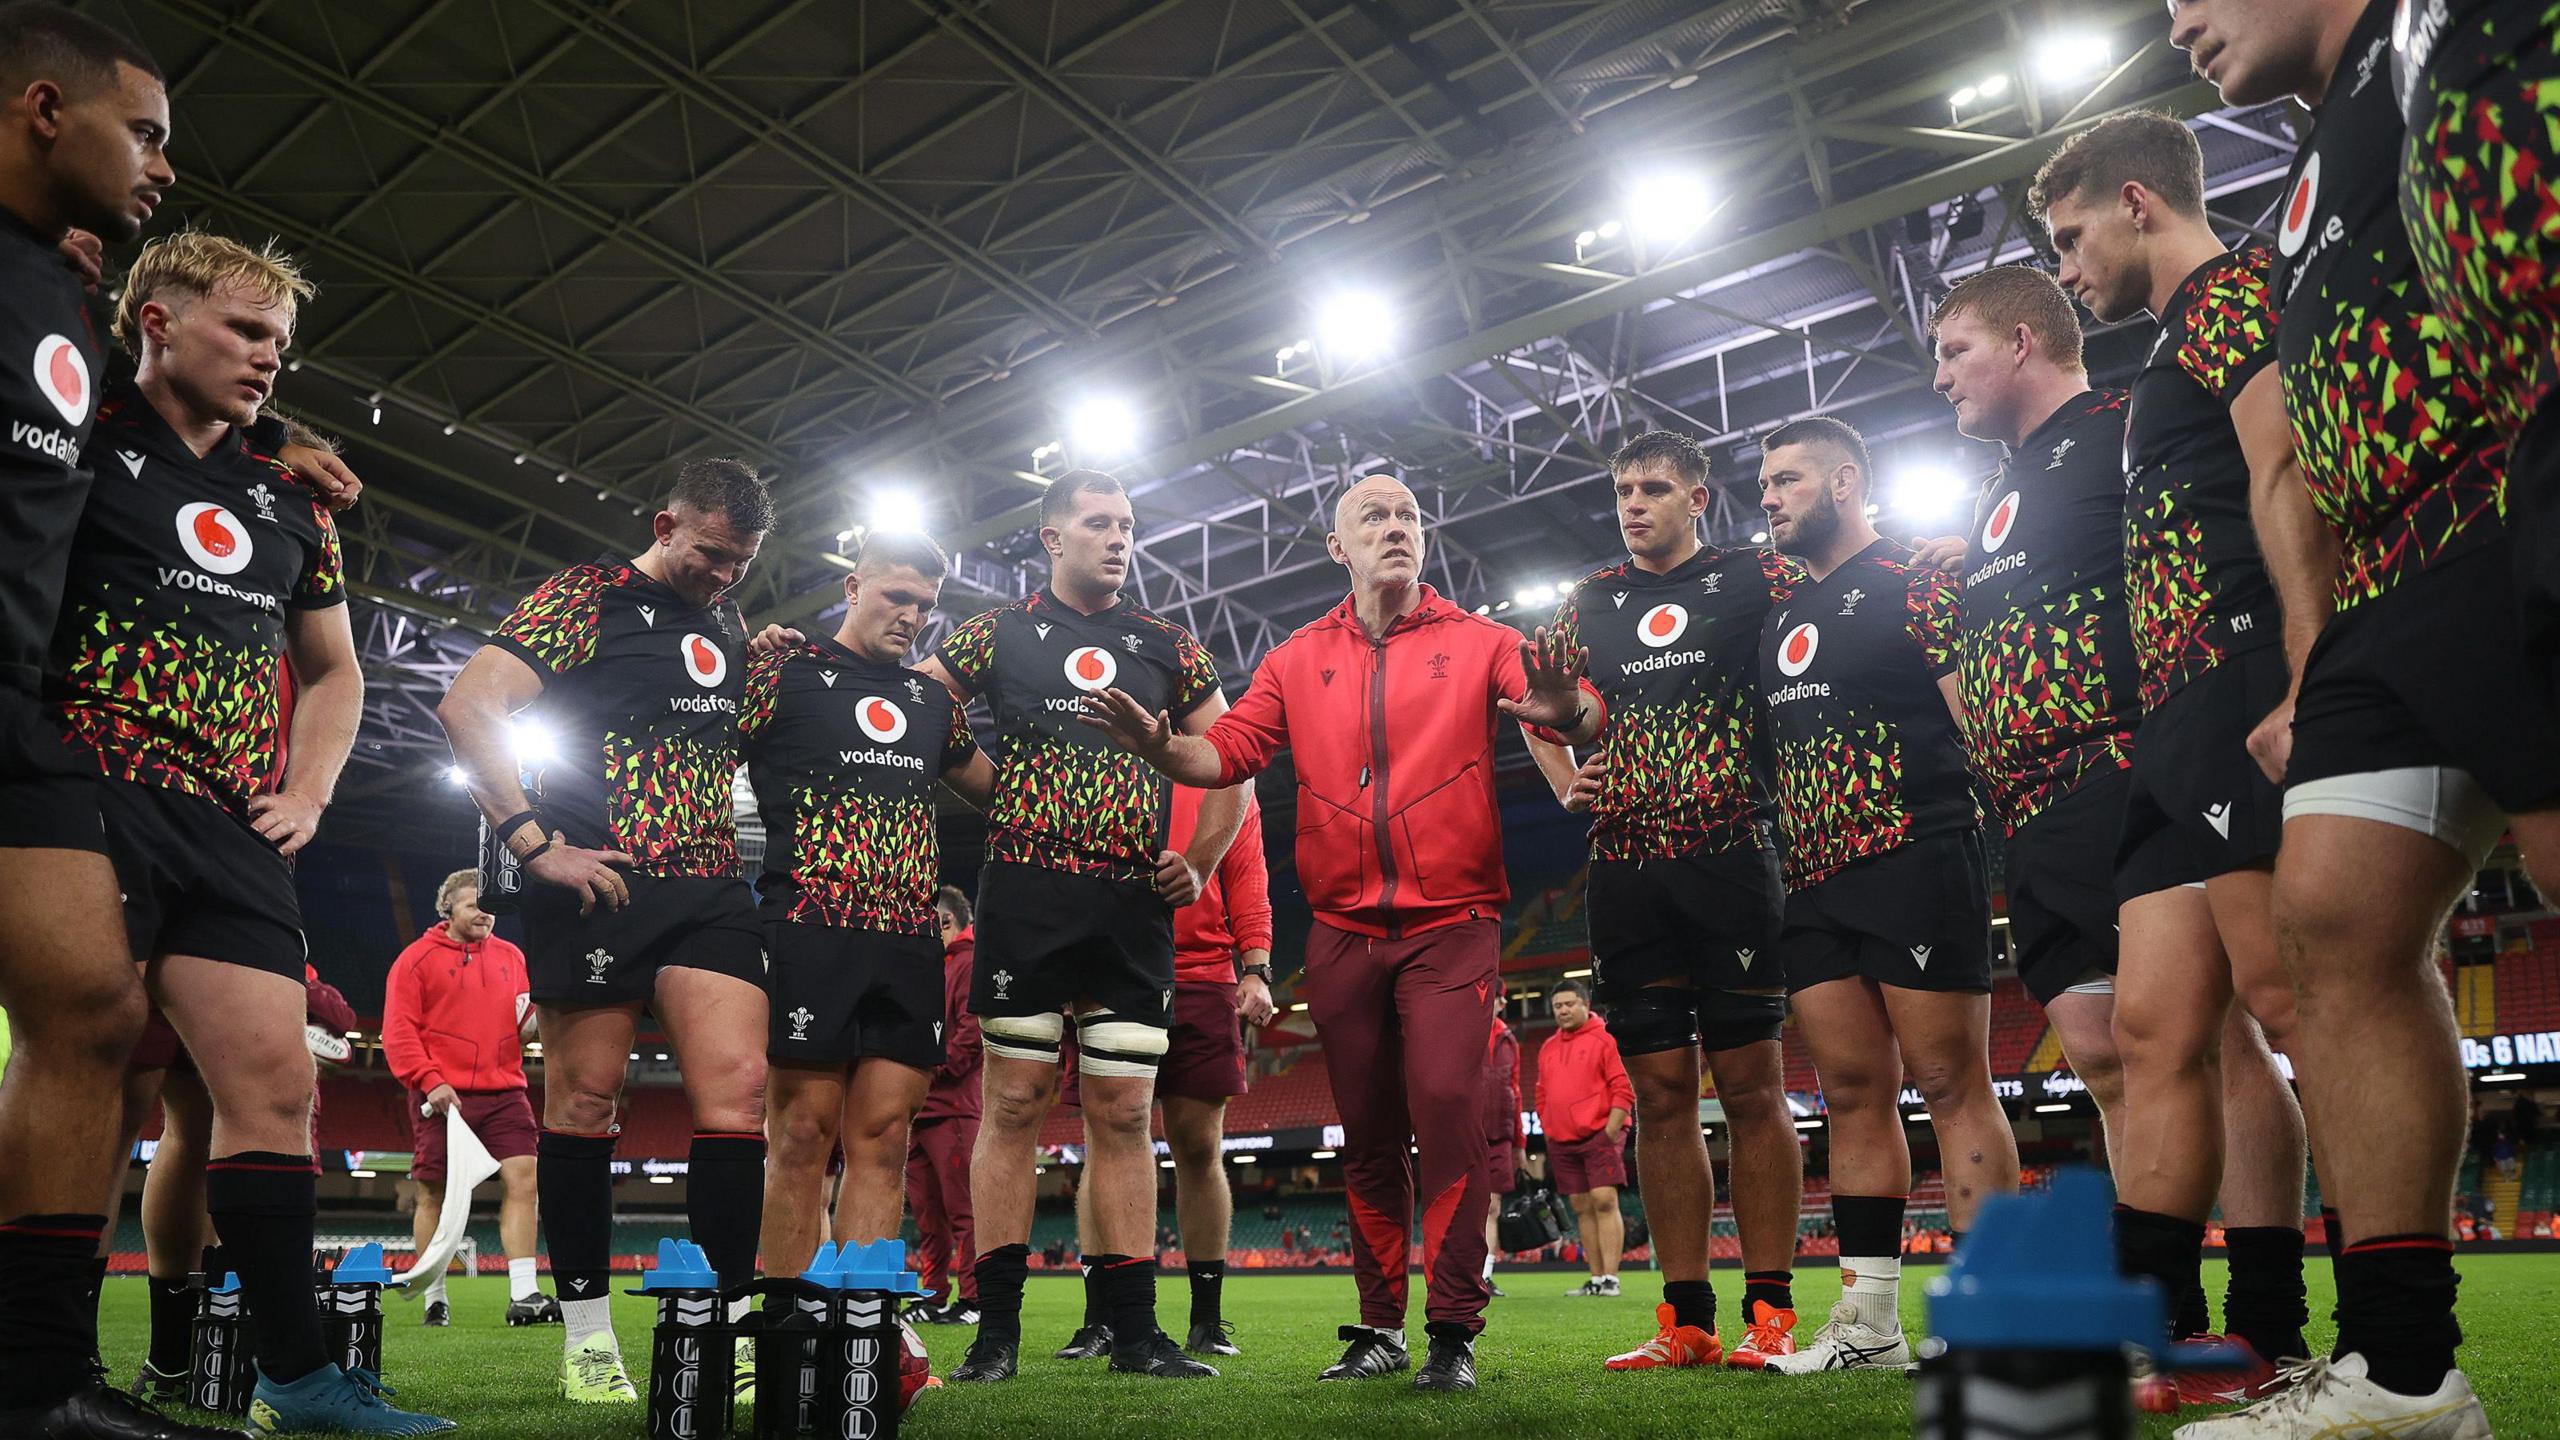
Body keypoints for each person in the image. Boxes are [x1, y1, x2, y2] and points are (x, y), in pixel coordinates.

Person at [2165, 2, 2560, 1431]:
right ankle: (2406, 1375)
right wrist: (2309, 648)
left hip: (2505, 509)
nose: (2178, 21)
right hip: (2379, 587)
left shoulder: (2438, 30)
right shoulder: (2304, 173)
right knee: (2329, 927)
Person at [1080, 467, 1603, 1392]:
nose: (1398, 526)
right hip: (1341, 934)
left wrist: (1566, 705)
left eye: (1409, 513)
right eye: (1375, 515)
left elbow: (1570, 709)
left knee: (1444, 1107)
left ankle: (1450, 1334)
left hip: (1455, 922)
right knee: (1365, 1130)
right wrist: (1160, 747)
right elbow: (1227, 755)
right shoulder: (1293, 658)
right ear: (1339, 547)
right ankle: (1376, 1328)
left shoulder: (1484, 642)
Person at [54, 229, 447, 1436]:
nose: (270, 357)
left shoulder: (289, 499)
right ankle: (52, 1371)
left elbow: (333, 672)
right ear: (157, 321)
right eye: (244, 328)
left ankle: (297, 1379)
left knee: (274, 1085)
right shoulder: (70, 441)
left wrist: (311, 792)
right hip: (84, 790)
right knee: (92, 1086)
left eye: (281, 339)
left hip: (232, 822)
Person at [2033, 111, 2319, 1398]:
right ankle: (2155, 1329)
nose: (2067, 264)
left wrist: (2306, 671)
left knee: (2283, 999)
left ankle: (2288, 1325)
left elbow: (2286, 464)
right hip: (2172, 716)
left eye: (2070, 234)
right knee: (2154, 1031)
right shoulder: (2159, 356)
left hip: (2245, 673)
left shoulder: (2230, 293)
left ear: (2136, 203)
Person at [437, 458, 776, 1405]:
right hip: (599, 885)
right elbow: (469, 705)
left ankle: (727, 1324)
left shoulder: (727, 619)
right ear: (663, 524)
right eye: (710, 554)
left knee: (740, 1091)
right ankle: (587, 1335)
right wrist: (534, 844)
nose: (722, 576)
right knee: (585, 1106)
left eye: (740, 564)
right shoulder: (586, 594)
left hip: (709, 887)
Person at [915, 469, 1244, 1384]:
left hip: (1129, 907)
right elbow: (921, 713)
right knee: (1013, 1107)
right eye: (1097, 524)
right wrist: (997, 791)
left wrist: (1206, 861)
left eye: (1127, 525)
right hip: (1023, 897)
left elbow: (1232, 763)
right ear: (1052, 537)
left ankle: (1135, 1338)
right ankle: (996, 1335)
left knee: (1126, 1112)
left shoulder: (1169, 644)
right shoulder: (996, 631)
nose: (1118, 539)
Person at [1521, 427, 1806, 1370]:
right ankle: (1684, 1320)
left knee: (1754, 1089)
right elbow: (1542, 701)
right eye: (1622, 493)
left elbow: (1845, 601)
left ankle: (1770, 1319)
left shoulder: (1759, 577)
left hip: (1735, 855)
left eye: (1652, 489)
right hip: (1627, 869)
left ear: (1698, 499)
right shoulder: (1587, 604)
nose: (1633, 505)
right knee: (1660, 1091)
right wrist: (1564, 777)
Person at [1751, 416, 2017, 1375]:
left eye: (1786, 481)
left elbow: (1973, 715)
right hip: (1812, 877)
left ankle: (1988, 1321)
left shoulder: (1921, 578)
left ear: (1847, 482)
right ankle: (1868, 1324)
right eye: (1765, 485)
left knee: (1952, 1083)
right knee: (1853, 1093)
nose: (1770, 499)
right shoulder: (1779, 609)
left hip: (1917, 853)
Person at [743, 530, 994, 1304]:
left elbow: (1004, 794)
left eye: (926, 605)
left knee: (883, 1140)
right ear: (853, 587)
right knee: (802, 1139)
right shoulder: (785, 673)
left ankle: (862, 1330)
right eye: (897, 597)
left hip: (908, 941)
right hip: (810, 928)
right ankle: (782, 1329)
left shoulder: (930, 700)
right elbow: (687, 754)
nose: (913, 616)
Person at [1922, 267, 2137, 1166]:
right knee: (2100, 1058)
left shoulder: (2127, 427)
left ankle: (2267, 1296)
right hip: (2028, 809)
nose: (1939, 377)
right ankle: (2166, 1299)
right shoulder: (1993, 492)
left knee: (2205, 1041)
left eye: (1954, 350)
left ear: (2020, 342)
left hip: (2126, 774)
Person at [381, 868, 551, 1327]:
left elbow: (524, 1022)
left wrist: (537, 1021)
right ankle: (435, 1296)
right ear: (448, 908)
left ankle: (524, 1294)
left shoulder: (513, 957)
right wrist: (429, 1079)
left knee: (525, 1180)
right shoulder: (415, 960)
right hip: (441, 1095)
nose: (484, 914)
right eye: (474, 904)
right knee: (433, 1192)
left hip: (505, 1090)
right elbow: (397, 1031)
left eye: (490, 906)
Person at [1157, 781, 1275, 1356]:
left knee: (1200, 1147)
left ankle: (1206, 1318)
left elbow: (1248, 873)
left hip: (1204, 974)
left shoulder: (1225, 780)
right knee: (1110, 1136)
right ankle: (1105, 1315)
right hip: (1113, 971)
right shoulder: (1105, 756)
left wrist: (1257, 966)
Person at [906, 885, 982, 1324]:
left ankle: (972, 1300)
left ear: (947, 922)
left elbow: (970, 1036)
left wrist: (926, 1073)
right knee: (928, 1215)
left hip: (952, 1106)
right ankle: (934, 1294)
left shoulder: (968, 962)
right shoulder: (937, 965)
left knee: (963, 1211)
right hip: (923, 1108)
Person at [1534, 980, 1632, 1298]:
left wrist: (1610, 1131)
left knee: (1604, 1199)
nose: (1563, 1010)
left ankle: (1612, 1278)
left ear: (1585, 1003)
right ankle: (1596, 1276)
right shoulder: (1548, 1046)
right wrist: (1549, 1127)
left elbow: (1622, 1085)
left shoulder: (1606, 1037)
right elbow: (1541, 1093)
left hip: (1600, 1132)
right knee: (1580, 1206)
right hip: (1562, 1138)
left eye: (1569, 1004)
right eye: (1557, 1006)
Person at [1479, 1008, 1524, 1300]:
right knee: (1465, 1205)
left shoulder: (1509, 1040)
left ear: (1501, 1000)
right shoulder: (1461, 1029)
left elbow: (1515, 1091)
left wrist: (1519, 1141)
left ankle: (1484, 1274)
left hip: (1499, 1135)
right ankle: (1458, 1275)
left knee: (1492, 1206)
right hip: (1466, 1132)